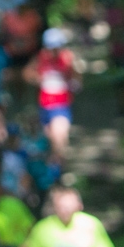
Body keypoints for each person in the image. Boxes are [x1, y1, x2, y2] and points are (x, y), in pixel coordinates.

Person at [26, 27, 81, 161]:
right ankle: (55, 167)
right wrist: (38, 79)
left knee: (60, 134)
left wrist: (73, 82)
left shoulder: (67, 58)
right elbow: (27, 73)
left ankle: (59, 166)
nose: (55, 51)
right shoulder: (40, 58)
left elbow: (77, 78)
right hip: (45, 104)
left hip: (62, 104)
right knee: (50, 137)